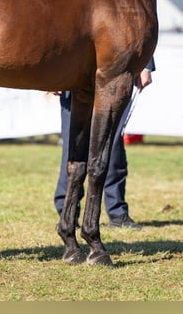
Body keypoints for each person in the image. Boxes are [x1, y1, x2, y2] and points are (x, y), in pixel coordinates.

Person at [54, 58, 155, 230]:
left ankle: (117, 212)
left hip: (114, 72)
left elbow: (141, 30)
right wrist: (53, 72)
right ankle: (67, 210)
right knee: (74, 146)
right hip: (75, 72)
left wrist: (146, 64)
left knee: (113, 146)